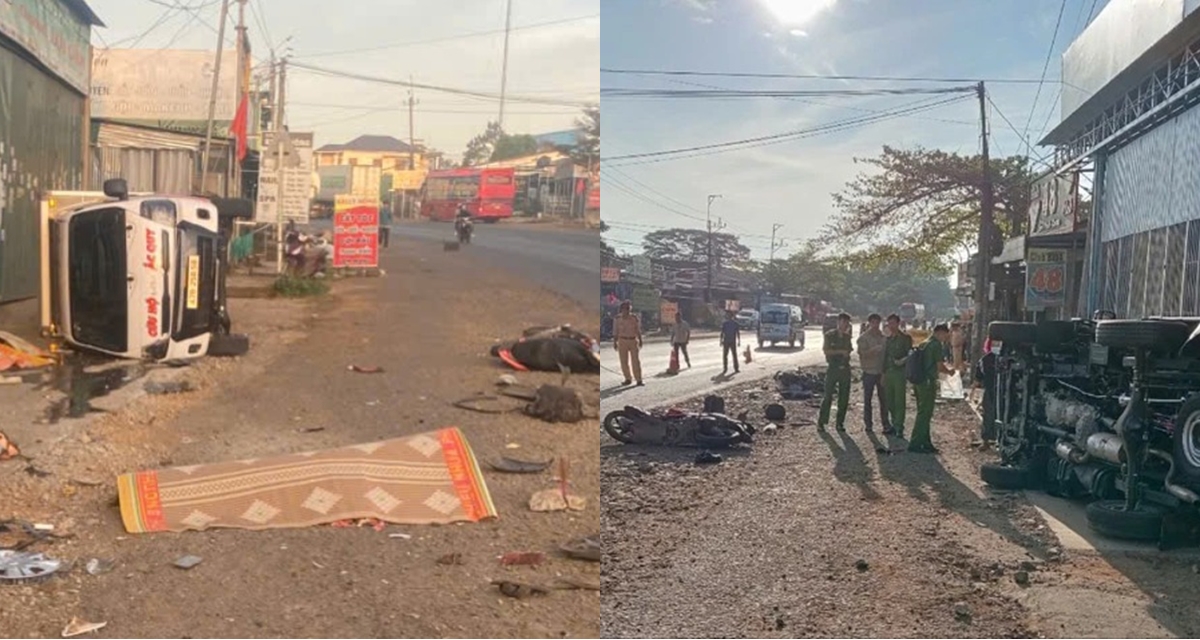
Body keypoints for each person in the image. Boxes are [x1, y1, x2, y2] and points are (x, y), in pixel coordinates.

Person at [909, 323, 956, 454]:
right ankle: (916, 443)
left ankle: (925, 442)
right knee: (924, 414)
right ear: (940, 332)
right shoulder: (936, 345)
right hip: (927, 382)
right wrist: (950, 372)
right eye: (946, 334)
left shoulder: (924, 342)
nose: (946, 337)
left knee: (923, 412)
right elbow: (940, 366)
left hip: (918, 381)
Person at [818, 312, 854, 432]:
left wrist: (843, 353)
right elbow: (827, 351)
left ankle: (840, 423)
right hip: (833, 368)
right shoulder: (829, 335)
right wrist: (840, 352)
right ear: (838, 322)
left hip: (844, 369)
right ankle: (822, 422)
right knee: (828, 396)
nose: (845, 325)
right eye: (843, 322)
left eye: (847, 323)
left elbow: (848, 352)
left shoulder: (847, 337)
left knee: (844, 397)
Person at [856, 313, 890, 432]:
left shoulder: (883, 337)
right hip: (869, 372)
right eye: (873, 323)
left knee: (884, 400)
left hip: (881, 372)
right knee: (868, 400)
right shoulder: (863, 338)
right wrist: (873, 350)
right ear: (869, 323)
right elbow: (861, 354)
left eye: (877, 323)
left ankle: (886, 424)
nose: (875, 325)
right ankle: (868, 424)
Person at [882, 314, 913, 437]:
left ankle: (899, 427)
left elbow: (911, 353)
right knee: (889, 401)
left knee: (899, 400)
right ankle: (894, 423)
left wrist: (903, 361)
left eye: (893, 323)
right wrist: (883, 374)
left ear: (898, 323)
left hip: (900, 373)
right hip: (889, 372)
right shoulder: (888, 340)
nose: (891, 326)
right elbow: (884, 358)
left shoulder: (905, 338)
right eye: (889, 323)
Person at [614, 301, 644, 386]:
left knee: (635, 361)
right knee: (623, 361)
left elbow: (638, 330)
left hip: (633, 340)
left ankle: (639, 379)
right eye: (624, 308)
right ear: (621, 309)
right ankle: (628, 378)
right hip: (622, 340)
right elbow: (615, 331)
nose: (626, 310)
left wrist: (640, 340)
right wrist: (615, 342)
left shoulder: (634, 318)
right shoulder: (617, 319)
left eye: (628, 308)